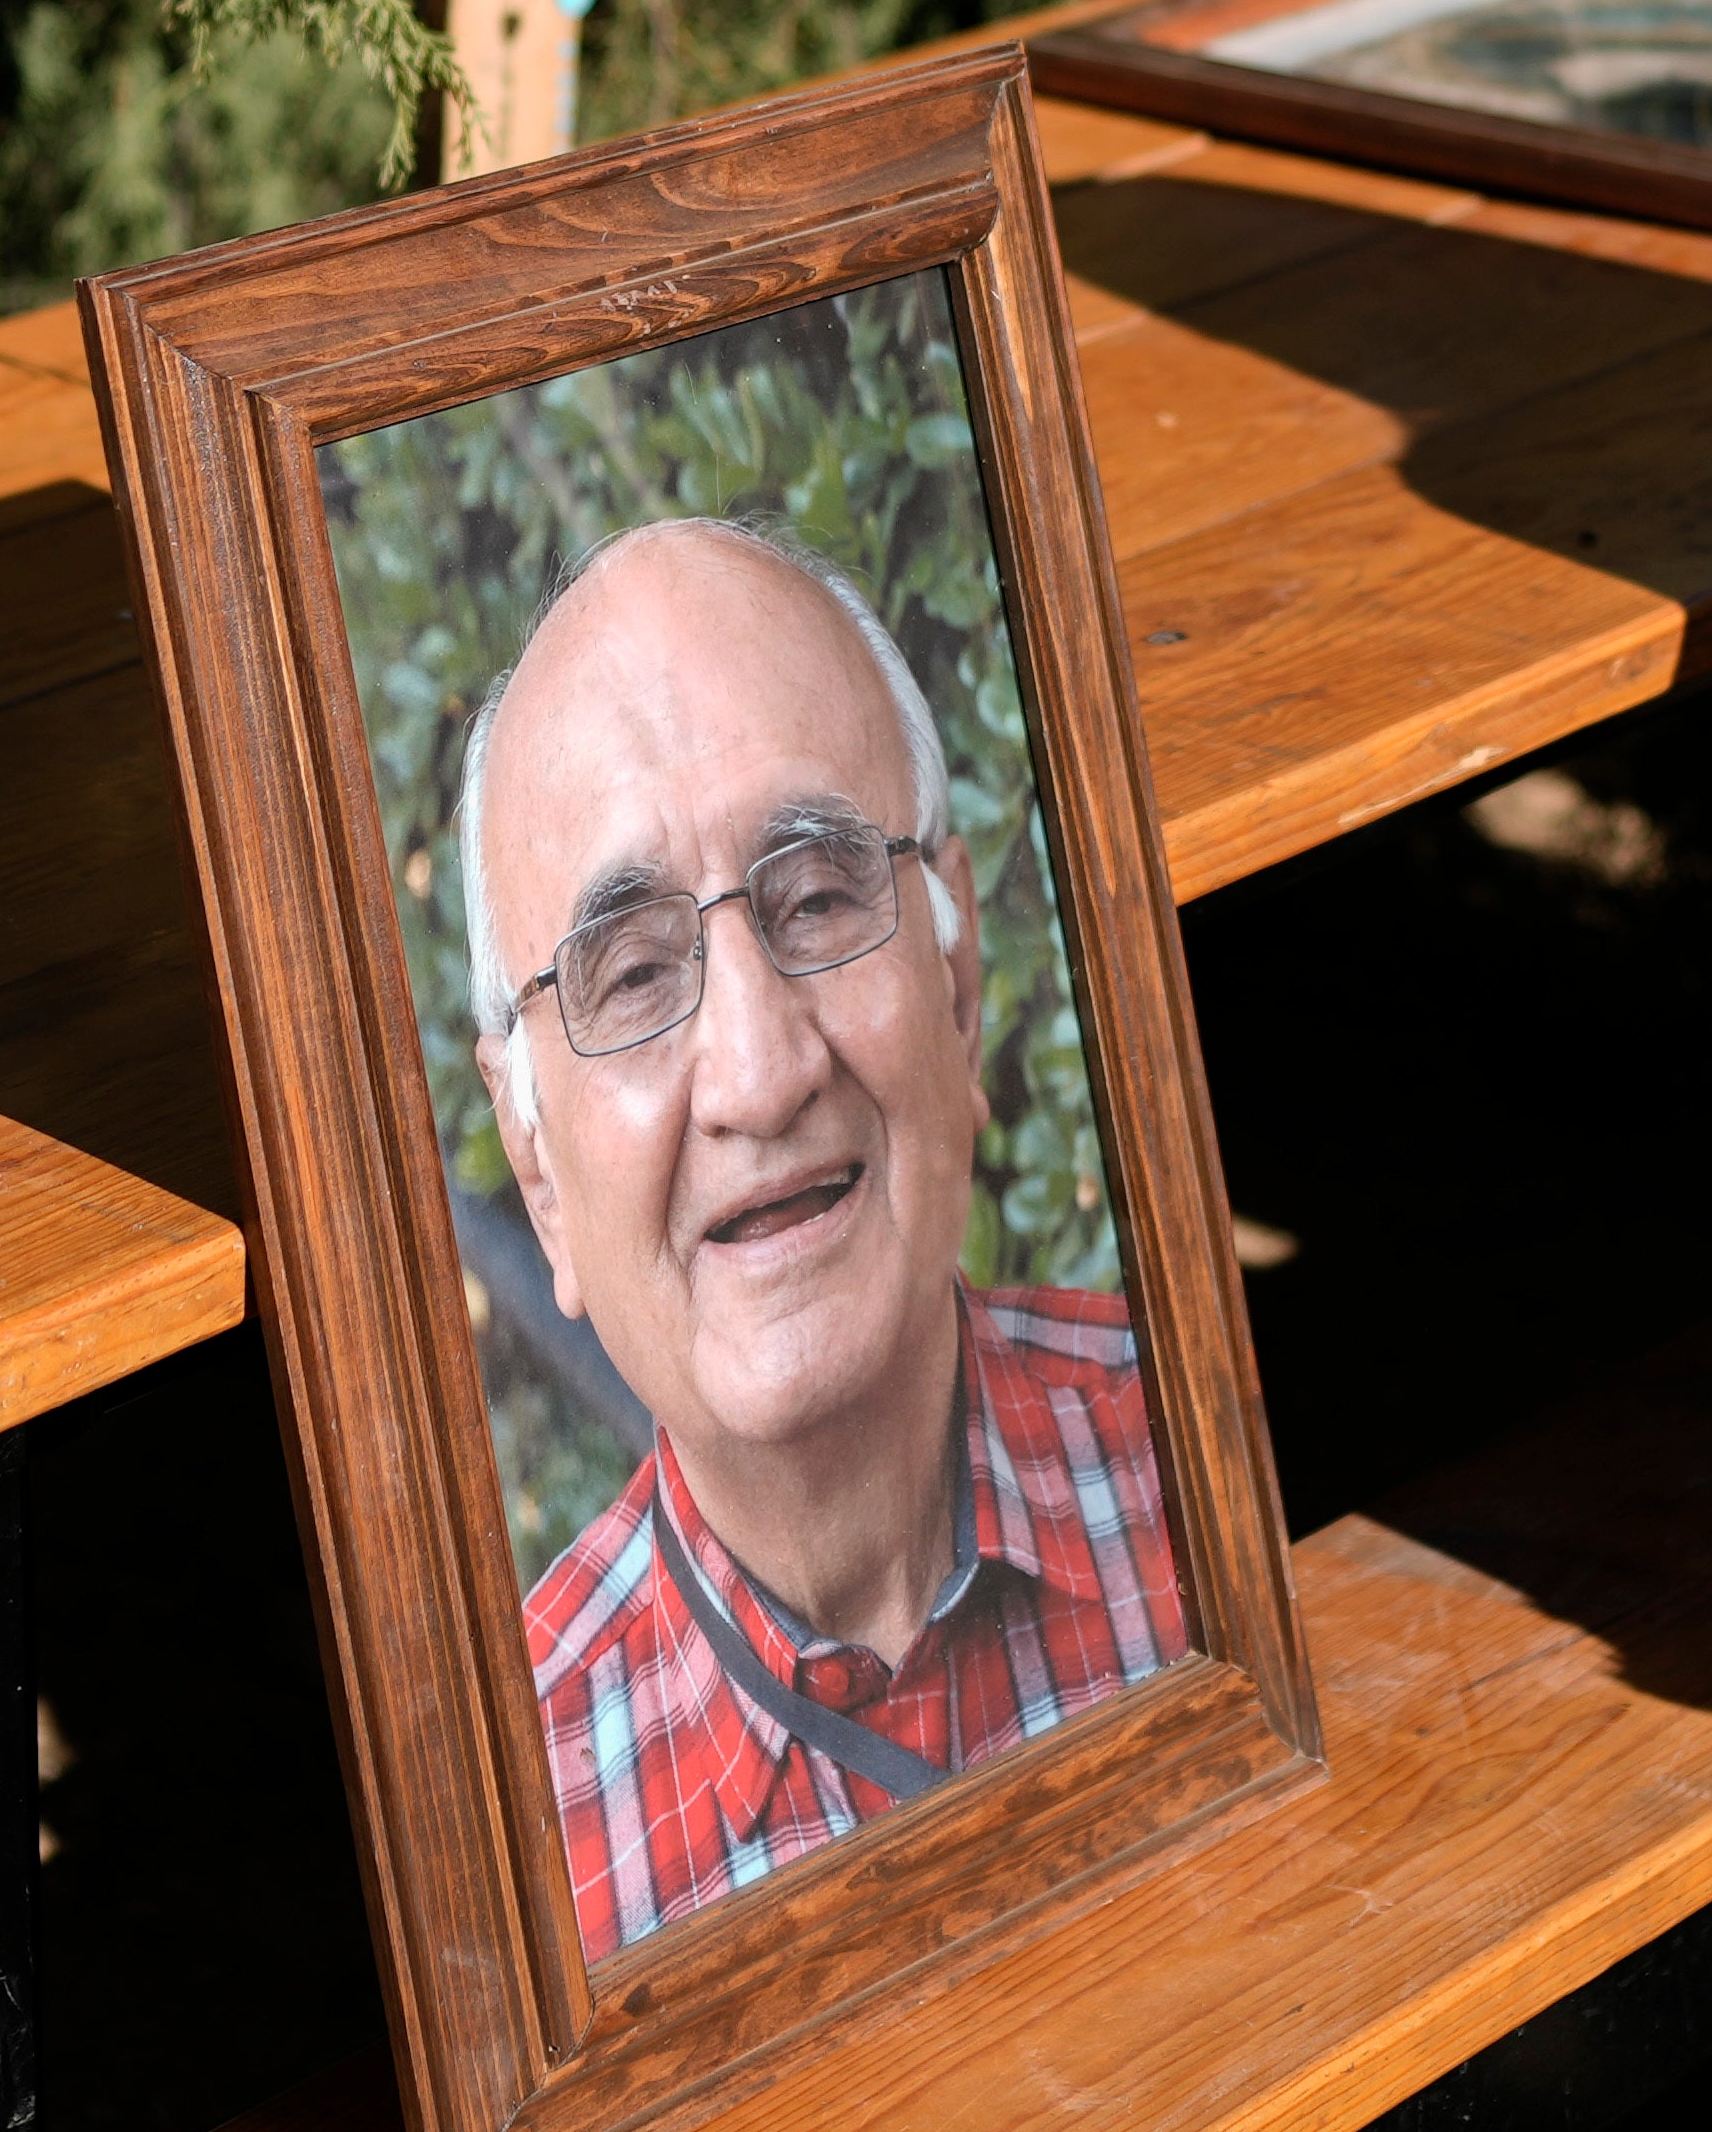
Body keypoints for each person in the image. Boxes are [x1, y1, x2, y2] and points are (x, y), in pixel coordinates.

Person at [461, 513, 1188, 1963]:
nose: (759, 1070)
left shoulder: (1215, 1459)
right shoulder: (496, 1860)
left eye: (814, 896)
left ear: (957, 980)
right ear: (538, 1169)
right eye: (633, 973)